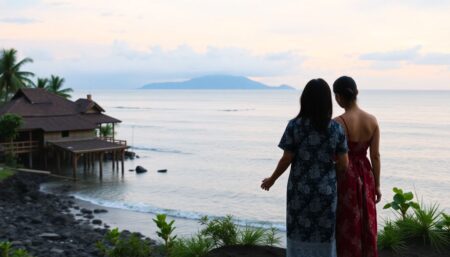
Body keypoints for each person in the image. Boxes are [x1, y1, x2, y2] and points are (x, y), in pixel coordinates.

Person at [261, 78, 349, 257]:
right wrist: (331, 173)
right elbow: (344, 164)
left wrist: (272, 180)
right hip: (326, 191)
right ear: (327, 101)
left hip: (299, 192)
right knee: (324, 235)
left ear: (305, 99)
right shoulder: (336, 129)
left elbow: (287, 158)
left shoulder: (295, 126)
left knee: (298, 232)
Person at [332, 76, 381, 257]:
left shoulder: (337, 123)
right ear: (357, 93)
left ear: (337, 97)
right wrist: (377, 185)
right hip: (366, 175)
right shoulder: (372, 121)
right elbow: (375, 156)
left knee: (348, 222)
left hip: (346, 175)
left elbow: (334, 156)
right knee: (367, 221)